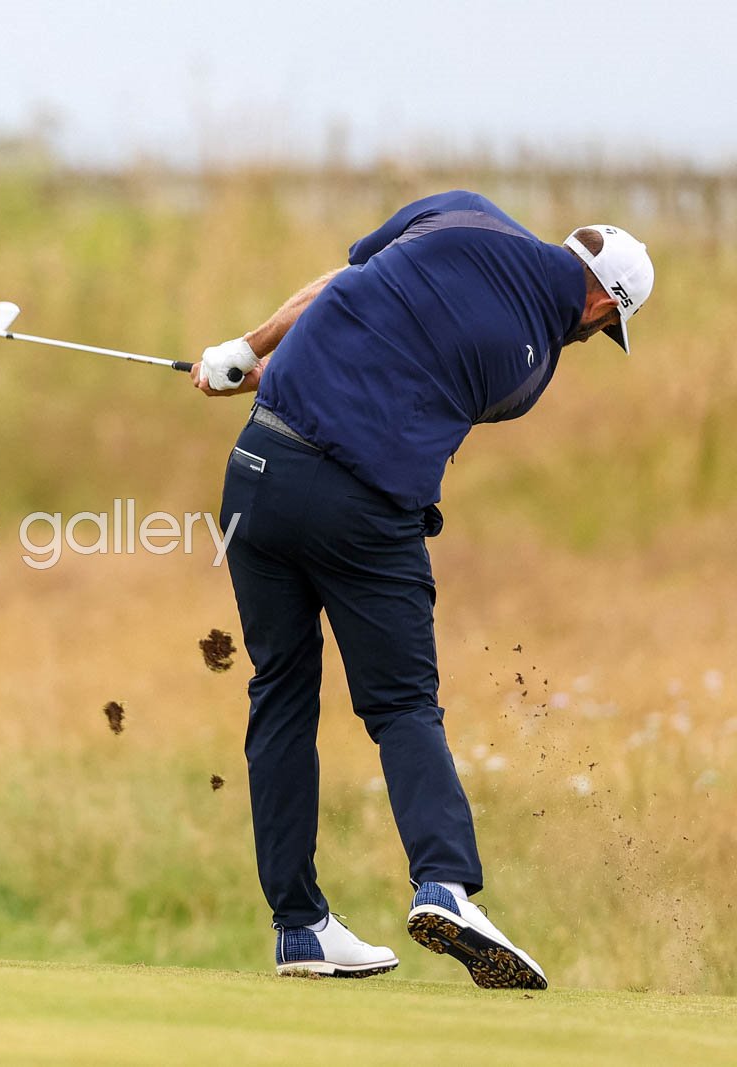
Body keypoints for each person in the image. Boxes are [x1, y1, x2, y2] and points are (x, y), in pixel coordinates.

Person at [189, 190, 654, 989]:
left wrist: (250, 351)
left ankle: (299, 926)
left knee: (282, 692)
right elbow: (401, 383)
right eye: (603, 329)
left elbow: (343, 287)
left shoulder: (460, 212)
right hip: (358, 513)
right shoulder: (529, 371)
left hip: (256, 470)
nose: (590, 339)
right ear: (601, 305)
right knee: (402, 702)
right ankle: (443, 884)